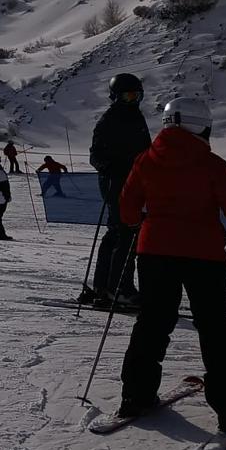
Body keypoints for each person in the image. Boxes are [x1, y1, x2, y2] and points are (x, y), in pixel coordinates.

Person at [114, 98, 226, 431]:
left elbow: (128, 212)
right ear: (199, 125)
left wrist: (143, 220)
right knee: (214, 328)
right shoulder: (211, 164)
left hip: (154, 254)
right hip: (205, 257)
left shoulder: (145, 161)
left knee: (152, 323)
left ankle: (136, 395)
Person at [85, 73, 152, 307]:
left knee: (117, 233)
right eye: (129, 95)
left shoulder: (136, 117)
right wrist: (112, 167)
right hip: (116, 184)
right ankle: (118, 288)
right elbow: (95, 156)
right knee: (126, 234)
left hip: (135, 183)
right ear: (116, 96)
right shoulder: (110, 120)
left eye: (137, 95)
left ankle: (103, 285)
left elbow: (146, 149)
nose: (134, 100)